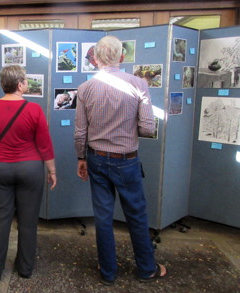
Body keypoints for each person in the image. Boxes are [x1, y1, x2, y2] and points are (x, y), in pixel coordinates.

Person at [74, 36, 167, 285]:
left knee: (103, 217)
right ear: (122, 57)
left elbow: (80, 132)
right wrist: (126, 127)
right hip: (126, 160)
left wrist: (81, 158)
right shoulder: (138, 84)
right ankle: (146, 269)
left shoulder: (85, 88)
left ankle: (108, 272)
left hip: (96, 158)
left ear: (95, 59)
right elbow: (148, 129)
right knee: (136, 215)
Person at [0, 65, 56, 282]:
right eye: (26, 81)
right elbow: (45, 144)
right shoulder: (34, 110)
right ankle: (25, 268)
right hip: (30, 168)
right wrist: (52, 170)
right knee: (28, 221)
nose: (27, 84)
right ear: (19, 85)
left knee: (0, 219)